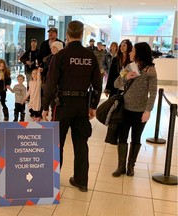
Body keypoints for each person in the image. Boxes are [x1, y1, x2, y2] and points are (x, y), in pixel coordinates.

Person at [42, 21, 102, 192]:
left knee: (57, 143)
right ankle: (81, 181)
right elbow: (98, 85)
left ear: (67, 35)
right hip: (82, 105)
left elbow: (51, 84)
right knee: (81, 143)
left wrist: (45, 106)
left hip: (62, 105)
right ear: (82, 35)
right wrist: (93, 106)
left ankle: (52, 181)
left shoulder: (60, 56)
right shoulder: (90, 57)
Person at [112, 42, 157, 177]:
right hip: (125, 109)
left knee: (136, 139)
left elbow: (153, 92)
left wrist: (148, 111)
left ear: (140, 53)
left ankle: (131, 166)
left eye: (133, 51)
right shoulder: (129, 66)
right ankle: (121, 166)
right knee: (122, 138)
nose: (130, 53)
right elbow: (116, 83)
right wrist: (126, 77)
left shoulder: (150, 70)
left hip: (140, 112)